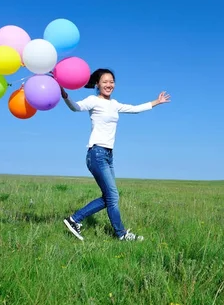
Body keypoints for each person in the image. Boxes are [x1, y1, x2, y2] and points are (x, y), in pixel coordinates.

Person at [60, 68, 171, 241]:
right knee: (113, 196)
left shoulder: (114, 104)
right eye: (105, 81)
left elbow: (135, 109)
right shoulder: (93, 100)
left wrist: (156, 102)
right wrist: (64, 95)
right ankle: (116, 232)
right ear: (97, 84)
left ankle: (76, 220)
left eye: (111, 81)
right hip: (96, 153)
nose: (109, 84)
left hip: (108, 155)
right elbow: (76, 107)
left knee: (109, 197)